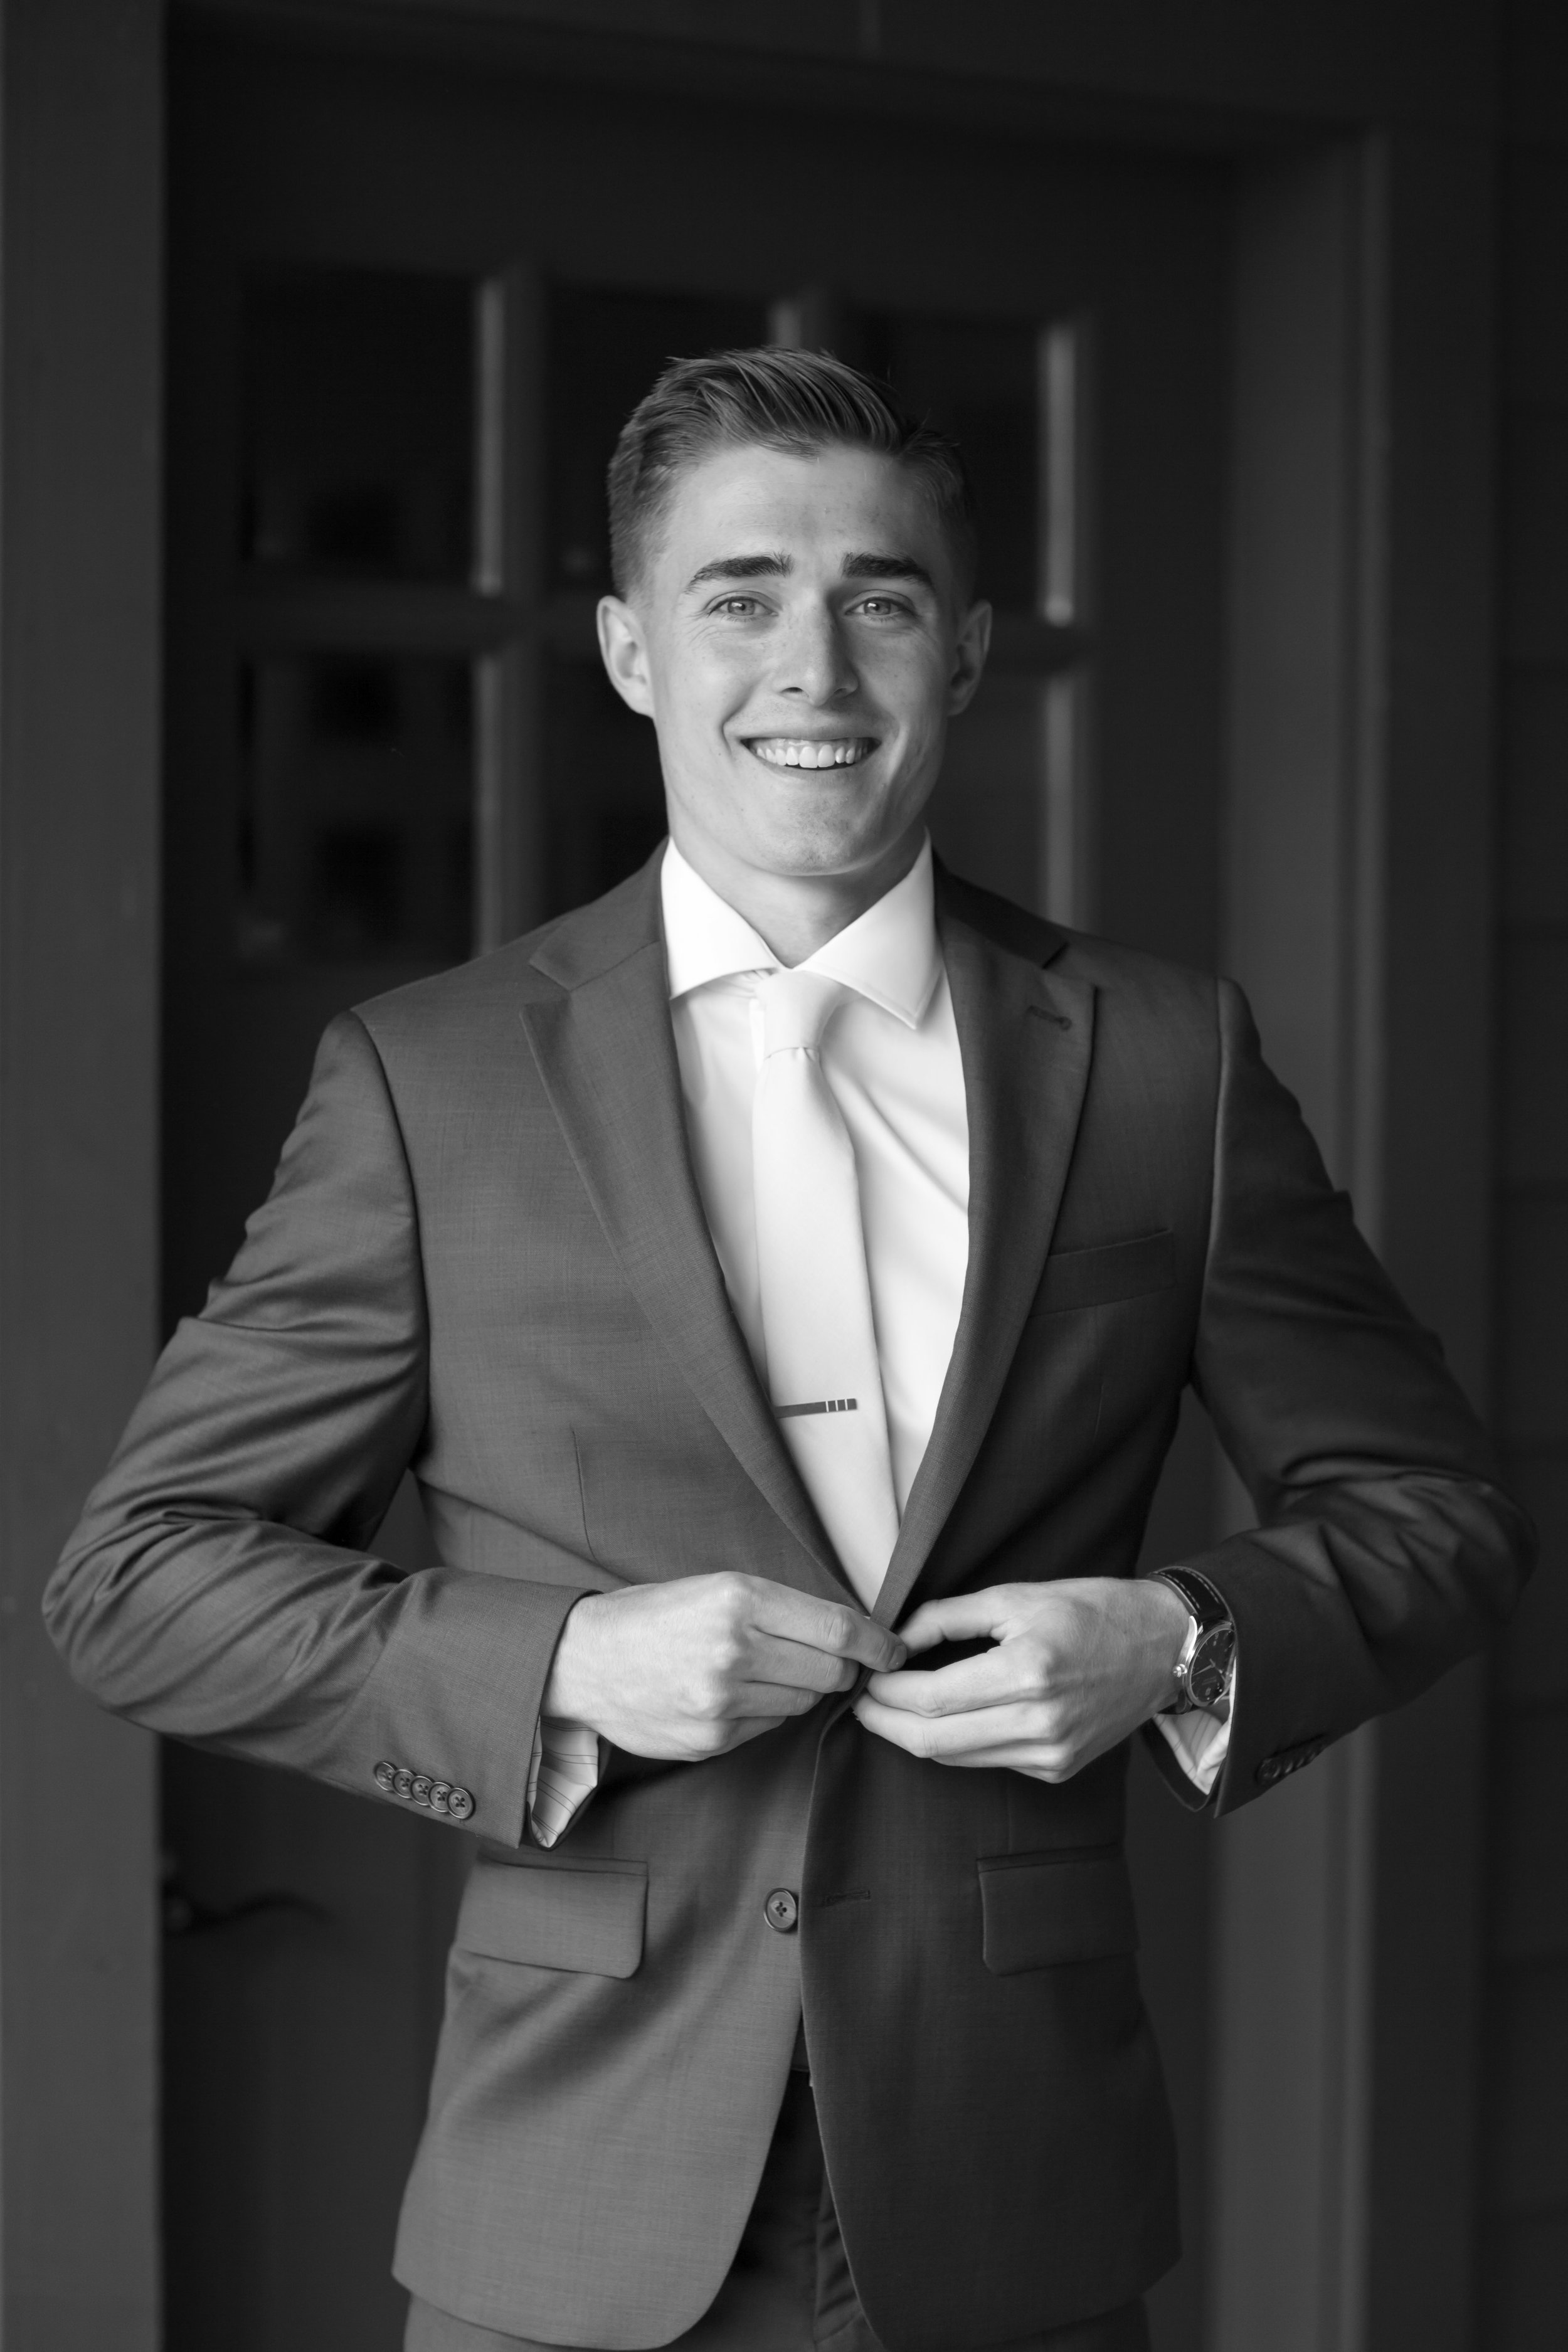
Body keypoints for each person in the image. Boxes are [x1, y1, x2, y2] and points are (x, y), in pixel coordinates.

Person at [46, 348, 1532, 2352]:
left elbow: (1433, 1510)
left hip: (1013, 2197)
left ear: (965, 650)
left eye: (878, 599)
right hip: (571, 2202)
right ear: (629, 650)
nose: (811, 668)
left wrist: (1174, 1641)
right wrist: (562, 1667)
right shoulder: (429, 1079)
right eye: (738, 596)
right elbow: (136, 1581)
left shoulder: (1162, 1062)